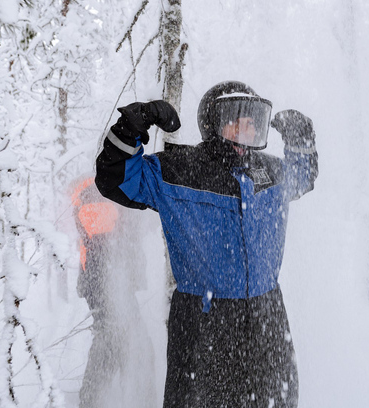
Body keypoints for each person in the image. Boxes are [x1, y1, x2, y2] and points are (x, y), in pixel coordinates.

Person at [95, 81, 318, 408]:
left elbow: (304, 175)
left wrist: (302, 141)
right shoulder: (179, 171)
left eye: (253, 119)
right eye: (236, 117)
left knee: (277, 401)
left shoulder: (270, 171)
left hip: (267, 316)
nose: (248, 126)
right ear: (213, 125)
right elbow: (115, 179)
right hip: (204, 322)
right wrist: (132, 126)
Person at [70, 176, 155, 408]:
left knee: (130, 346)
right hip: (103, 285)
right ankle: (94, 402)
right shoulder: (95, 190)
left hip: (115, 285)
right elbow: (102, 235)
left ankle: (126, 399)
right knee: (116, 344)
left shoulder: (116, 187)